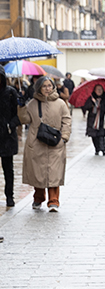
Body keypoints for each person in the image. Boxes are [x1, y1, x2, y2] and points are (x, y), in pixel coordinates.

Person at [17, 76, 72, 212]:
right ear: (39, 88)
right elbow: (24, 120)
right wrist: (21, 106)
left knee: (54, 173)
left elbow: (67, 120)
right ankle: (38, 198)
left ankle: (54, 201)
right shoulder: (33, 103)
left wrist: (64, 138)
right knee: (38, 173)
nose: (47, 88)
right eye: (44, 86)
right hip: (37, 143)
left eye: (49, 86)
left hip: (55, 143)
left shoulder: (60, 103)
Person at [1, 69, 20, 207]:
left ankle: (9, 195)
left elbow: (18, 114)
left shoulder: (10, 92)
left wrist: (11, 125)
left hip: (7, 136)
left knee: (8, 168)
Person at [82, 83, 105, 156]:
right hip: (92, 119)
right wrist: (92, 104)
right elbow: (85, 107)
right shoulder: (91, 98)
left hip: (101, 119)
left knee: (101, 135)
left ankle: (103, 149)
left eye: (100, 89)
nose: (99, 91)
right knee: (93, 135)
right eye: (97, 89)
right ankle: (97, 149)